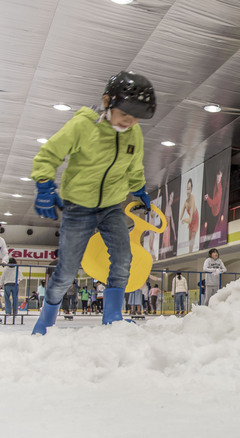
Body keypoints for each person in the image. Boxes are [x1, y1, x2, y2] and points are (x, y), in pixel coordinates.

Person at [30, 70, 156, 334]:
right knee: (66, 270)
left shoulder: (134, 135)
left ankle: (112, 316)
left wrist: (139, 188)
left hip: (111, 206)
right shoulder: (82, 126)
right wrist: (44, 184)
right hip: (78, 207)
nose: (129, 123)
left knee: (123, 258)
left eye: (134, 119)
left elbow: (134, 167)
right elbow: (49, 153)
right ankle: (46, 318)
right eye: (124, 116)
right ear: (108, 102)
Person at [180, 179, 199, 253]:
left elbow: (190, 219)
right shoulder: (186, 202)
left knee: (192, 238)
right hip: (190, 220)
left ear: (191, 190)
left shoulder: (192, 198)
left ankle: (190, 253)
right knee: (189, 239)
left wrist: (184, 220)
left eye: (189, 189)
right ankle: (189, 252)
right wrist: (181, 218)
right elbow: (181, 215)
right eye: (187, 189)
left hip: (194, 219)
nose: (188, 191)